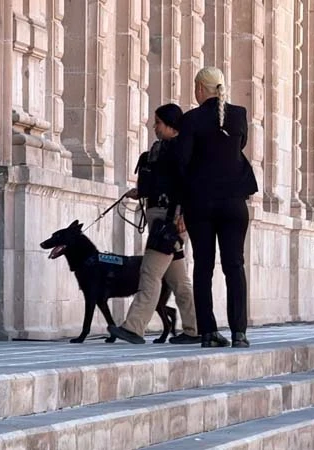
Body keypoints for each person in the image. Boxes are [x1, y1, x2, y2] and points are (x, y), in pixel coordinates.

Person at [176, 67, 258, 348]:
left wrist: (181, 204)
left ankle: (208, 332)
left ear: (200, 89)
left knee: (204, 266)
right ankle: (239, 332)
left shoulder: (191, 119)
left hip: (201, 203)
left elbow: (182, 163)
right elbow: (240, 144)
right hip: (234, 202)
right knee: (235, 265)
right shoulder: (239, 115)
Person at [109, 104, 200, 345]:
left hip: (169, 223)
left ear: (171, 124)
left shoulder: (180, 150)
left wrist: (182, 215)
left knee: (149, 273)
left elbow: (187, 185)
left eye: (158, 122)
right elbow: (162, 183)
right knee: (179, 281)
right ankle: (195, 329)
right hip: (161, 219)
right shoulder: (163, 150)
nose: (154, 127)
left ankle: (134, 327)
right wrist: (140, 191)